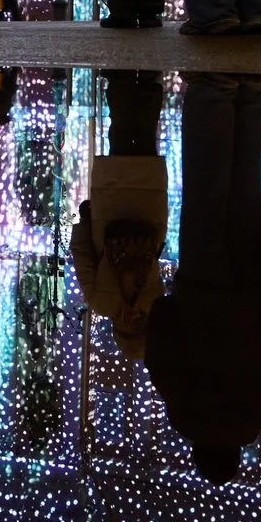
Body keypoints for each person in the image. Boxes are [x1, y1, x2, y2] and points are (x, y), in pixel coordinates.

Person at [145, 72, 261, 480]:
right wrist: (170, 306)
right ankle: (213, 96)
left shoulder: (256, 412)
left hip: (248, 285)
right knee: (206, 188)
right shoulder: (184, 413)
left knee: (245, 184)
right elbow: (162, 350)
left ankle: (253, 93)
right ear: (199, 452)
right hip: (200, 286)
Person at [69, 70, 168, 357]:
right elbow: (83, 257)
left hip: (149, 211)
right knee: (120, 138)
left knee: (147, 139)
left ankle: (149, 86)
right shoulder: (101, 304)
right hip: (110, 212)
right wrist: (83, 222)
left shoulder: (155, 301)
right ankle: (122, 83)